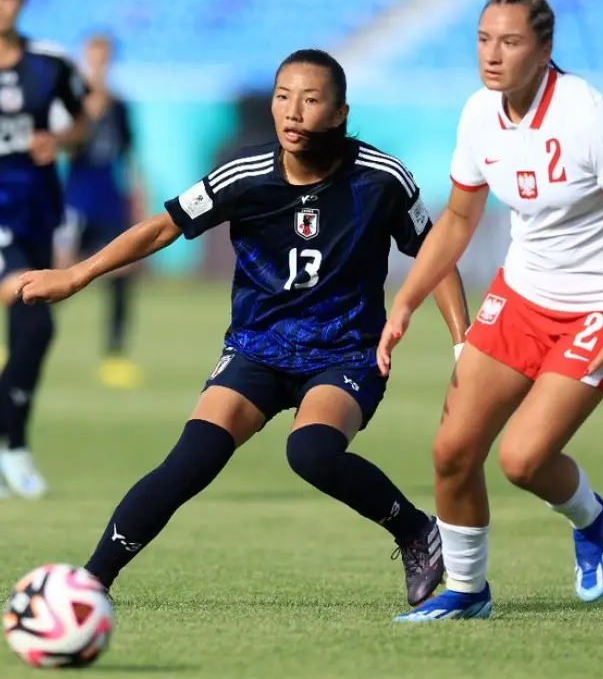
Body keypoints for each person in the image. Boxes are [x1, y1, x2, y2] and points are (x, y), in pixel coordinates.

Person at [17, 49, 469, 607]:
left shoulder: (381, 178)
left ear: (340, 112)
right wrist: (76, 274)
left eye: (310, 99)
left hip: (344, 352)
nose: (293, 112)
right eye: (283, 97)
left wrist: (462, 345)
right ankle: (87, 586)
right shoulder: (245, 175)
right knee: (189, 461)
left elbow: (436, 255)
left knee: (311, 453)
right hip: (258, 348)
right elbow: (162, 229)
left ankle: (416, 530)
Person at [382, 0, 603, 622]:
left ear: (545, 51)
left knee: (522, 459)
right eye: (485, 40)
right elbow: (460, 218)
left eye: (511, 41)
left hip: (598, 305)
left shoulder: (587, 115)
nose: (493, 55)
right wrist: (405, 302)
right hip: (520, 294)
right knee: (452, 450)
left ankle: (592, 519)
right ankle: (468, 593)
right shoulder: (477, 113)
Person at [0, 0, 95, 499]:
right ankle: (14, 447)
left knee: (32, 333)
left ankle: (11, 444)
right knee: (34, 323)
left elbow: (82, 123)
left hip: (38, 210)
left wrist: (58, 141)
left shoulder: (49, 65)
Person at [55, 33, 146, 389]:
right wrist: (85, 117)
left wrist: (137, 197)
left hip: (110, 200)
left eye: (104, 58)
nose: (99, 65)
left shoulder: (121, 106)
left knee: (122, 275)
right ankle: (19, 339)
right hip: (77, 201)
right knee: (59, 274)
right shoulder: (73, 103)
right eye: (93, 58)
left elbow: (128, 156)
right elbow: (64, 146)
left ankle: (115, 356)